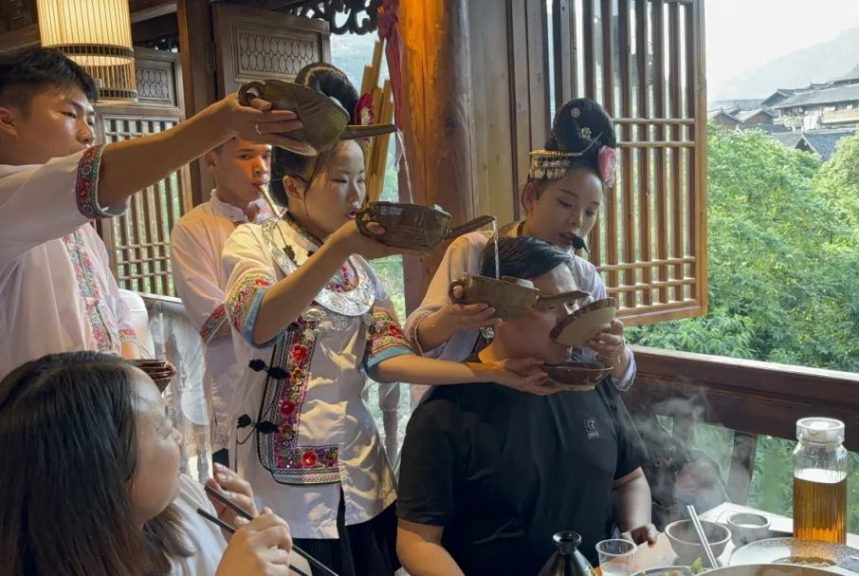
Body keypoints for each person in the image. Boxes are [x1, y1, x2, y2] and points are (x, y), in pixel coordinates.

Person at [220, 62, 550, 576]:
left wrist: (488, 371)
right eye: (340, 181)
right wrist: (340, 246)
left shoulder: (358, 269)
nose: (357, 196)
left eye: (361, 180)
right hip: (280, 483)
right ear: (295, 187)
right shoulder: (253, 243)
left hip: (359, 470)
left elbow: (388, 359)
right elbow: (257, 323)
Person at [0, 47, 306, 379]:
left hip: (103, 403)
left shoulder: (81, 229)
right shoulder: (7, 203)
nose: (88, 133)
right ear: (7, 119)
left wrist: (133, 369)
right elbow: (101, 173)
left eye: (89, 118)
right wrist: (220, 122)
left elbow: (114, 311)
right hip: (38, 411)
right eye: (70, 114)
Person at [396, 236, 657, 576]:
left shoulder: (590, 381)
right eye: (550, 307)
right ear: (497, 311)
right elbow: (417, 540)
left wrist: (635, 531)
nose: (569, 320)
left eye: (572, 304)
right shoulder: (446, 410)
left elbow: (630, 479)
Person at [404, 97, 635, 402]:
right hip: (467, 406)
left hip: (549, 410)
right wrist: (454, 317)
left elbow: (621, 376)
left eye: (590, 211)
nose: (577, 221)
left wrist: (615, 350)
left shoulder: (584, 276)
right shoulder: (474, 251)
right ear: (530, 197)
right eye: (565, 203)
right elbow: (415, 341)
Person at [0, 351, 309, 576]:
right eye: (163, 425)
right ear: (104, 469)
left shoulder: (186, 504)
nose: (179, 437)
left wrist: (253, 540)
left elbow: (302, 568)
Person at [171, 138, 275, 466]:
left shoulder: (283, 221)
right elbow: (213, 322)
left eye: (266, 155)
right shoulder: (193, 228)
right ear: (211, 161)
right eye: (245, 155)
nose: (261, 167)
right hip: (235, 386)